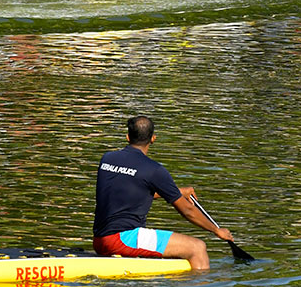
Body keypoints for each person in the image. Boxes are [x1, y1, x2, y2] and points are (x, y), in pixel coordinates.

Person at [93, 115, 233, 271]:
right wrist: (216, 230)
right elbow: (187, 210)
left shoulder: (107, 159)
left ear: (127, 137)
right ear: (153, 139)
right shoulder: (154, 170)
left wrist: (177, 192)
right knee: (197, 248)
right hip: (124, 239)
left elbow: (131, 191)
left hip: (99, 240)